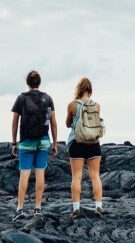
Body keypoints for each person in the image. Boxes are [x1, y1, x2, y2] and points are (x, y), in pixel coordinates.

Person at [11, 71, 58, 221]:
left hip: (26, 141)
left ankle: (20, 209)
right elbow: (53, 123)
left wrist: (14, 142)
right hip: (43, 140)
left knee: (24, 174)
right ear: (39, 82)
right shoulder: (48, 98)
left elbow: (14, 122)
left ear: (28, 83)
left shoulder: (21, 98)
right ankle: (38, 208)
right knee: (40, 174)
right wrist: (55, 143)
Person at [66, 77, 104, 218]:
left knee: (77, 176)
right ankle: (99, 207)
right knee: (95, 176)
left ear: (79, 89)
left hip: (77, 142)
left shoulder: (72, 105)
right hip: (93, 143)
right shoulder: (97, 106)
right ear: (90, 90)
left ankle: (76, 209)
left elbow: (68, 123)